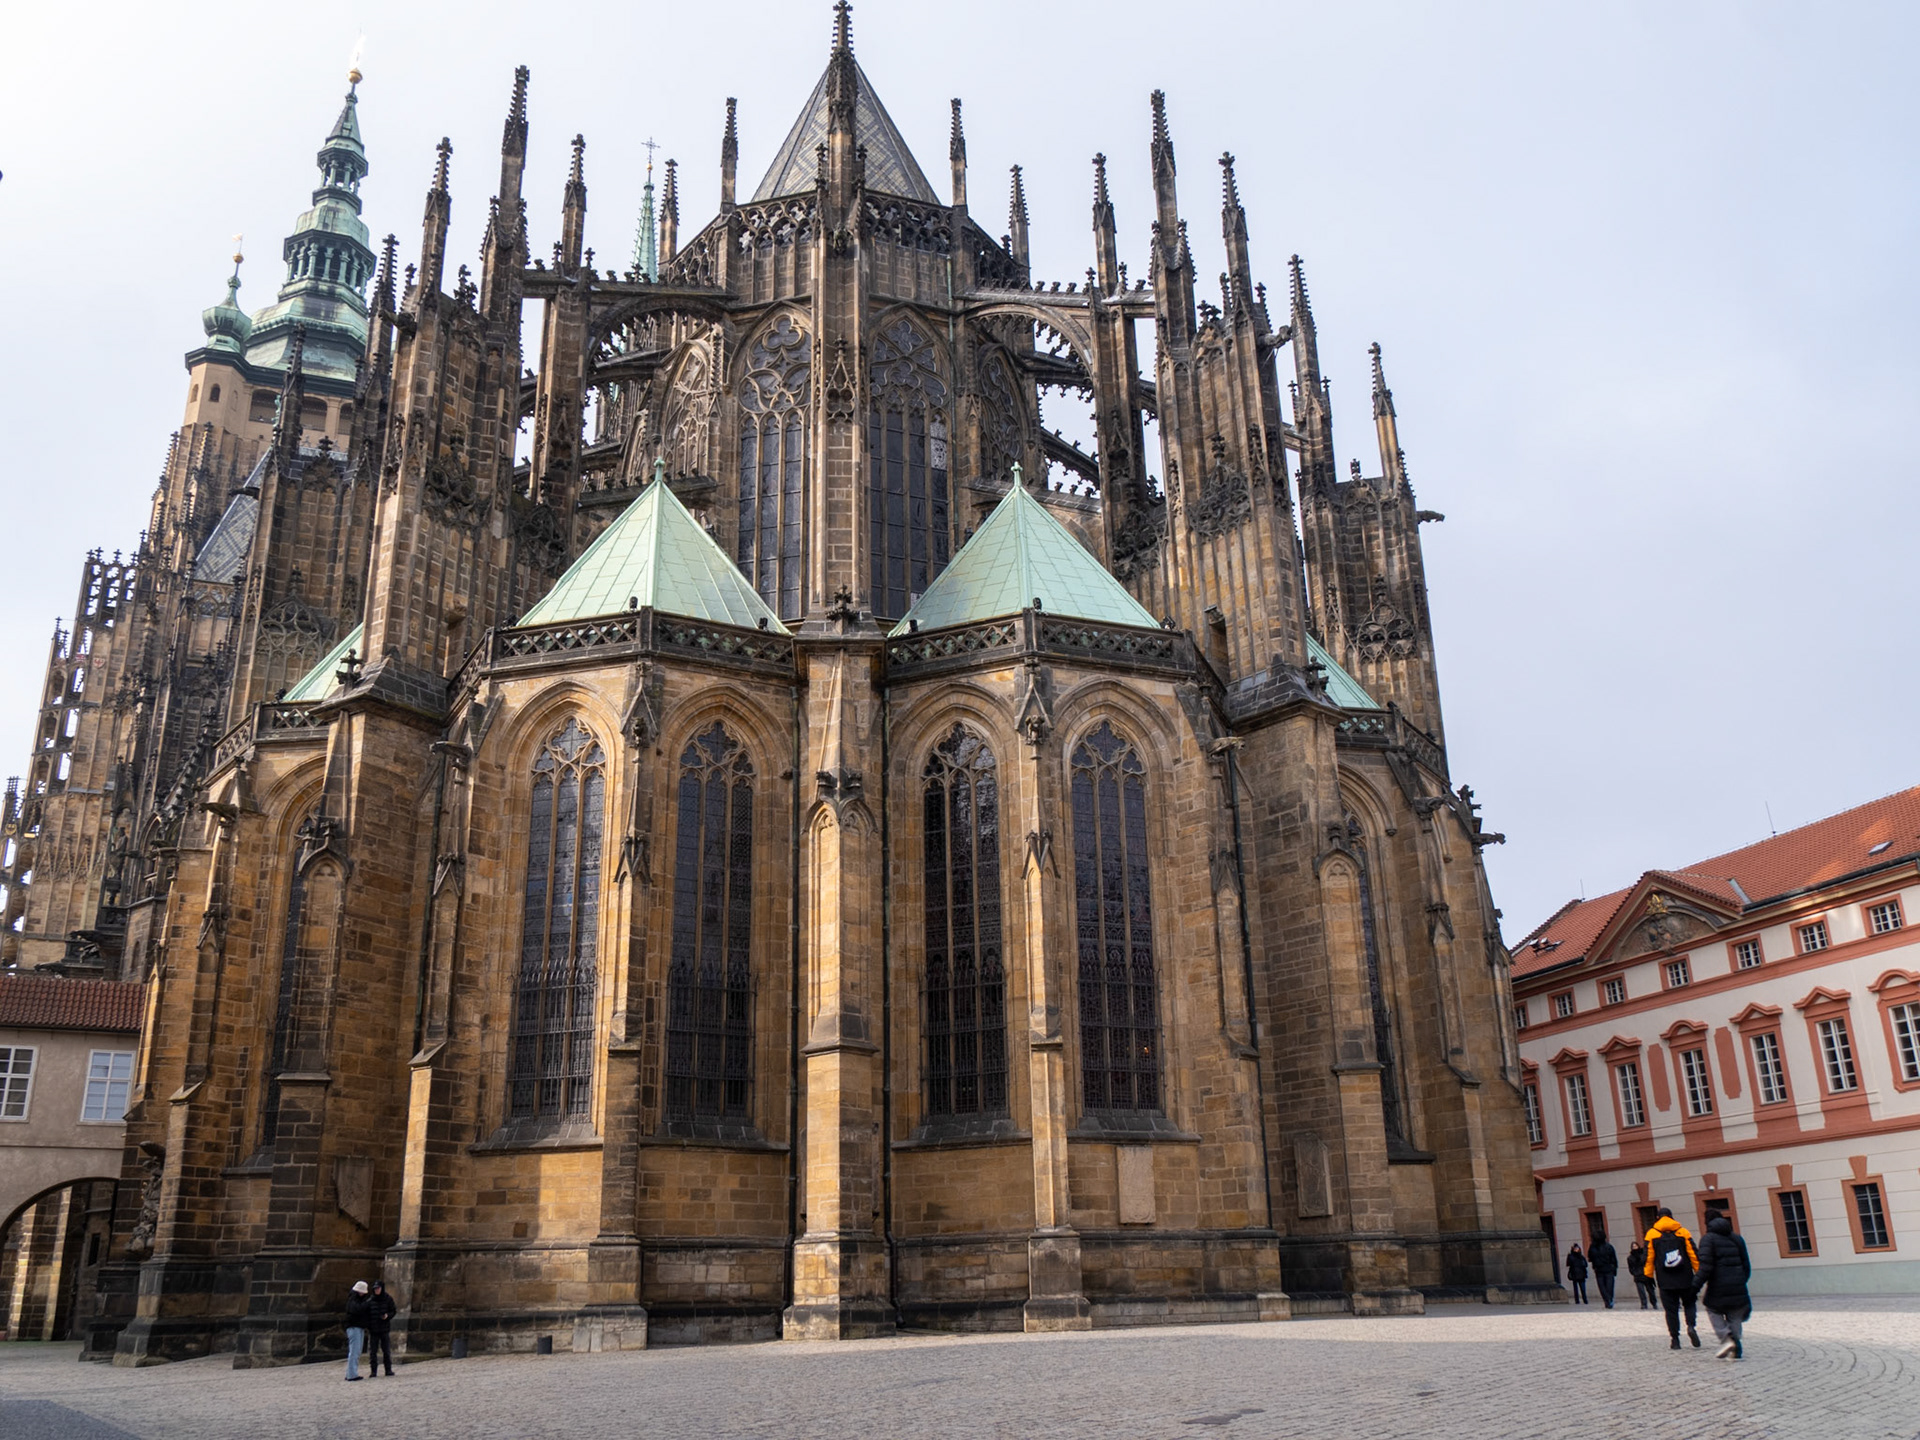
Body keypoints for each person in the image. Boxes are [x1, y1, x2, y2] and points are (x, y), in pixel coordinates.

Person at [1695, 1212, 1752, 1359]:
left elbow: (1705, 1267)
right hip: (1738, 1285)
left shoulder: (1708, 1239)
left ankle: (1726, 1338)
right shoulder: (1737, 1239)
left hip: (1717, 1286)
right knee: (1735, 1313)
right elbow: (1746, 1265)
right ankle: (1736, 1343)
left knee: (1713, 1309)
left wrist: (1694, 1286)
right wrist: (1740, 1280)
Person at [1642, 1207, 1701, 1350]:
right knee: (1689, 1304)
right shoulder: (1682, 1232)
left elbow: (1648, 1258)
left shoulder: (1652, 1234)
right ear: (1671, 1217)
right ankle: (1691, 1326)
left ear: (1658, 1218)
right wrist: (1698, 1271)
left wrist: (1648, 1276)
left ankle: (1675, 1339)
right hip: (1685, 1276)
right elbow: (1693, 1253)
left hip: (1665, 1279)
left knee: (1671, 1310)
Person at [367, 1280, 397, 1377]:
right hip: (374, 1329)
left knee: (386, 1350)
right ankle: (373, 1371)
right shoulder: (370, 1300)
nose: (377, 1290)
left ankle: (388, 1370)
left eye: (378, 1288)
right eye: (375, 1289)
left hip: (384, 1328)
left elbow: (393, 1310)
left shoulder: (388, 1299)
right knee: (373, 1351)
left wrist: (387, 1316)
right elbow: (366, 1314)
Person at [344, 1280, 372, 1381]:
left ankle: (350, 1373)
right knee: (354, 1351)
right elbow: (357, 1310)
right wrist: (367, 1304)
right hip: (354, 1327)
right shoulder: (353, 1301)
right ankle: (352, 1374)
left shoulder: (356, 1300)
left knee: (356, 1351)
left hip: (358, 1327)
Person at [1587, 1232, 1619, 1309]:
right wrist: (1614, 1268)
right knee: (1608, 1286)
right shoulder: (1608, 1246)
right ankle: (1609, 1300)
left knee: (1603, 1287)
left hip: (1600, 1269)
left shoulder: (1593, 1247)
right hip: (1606, 1269)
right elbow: (1613, 1259)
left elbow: (1590, 1257)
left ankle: (1607, 1300)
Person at [1627, 1238, 1655, 1309]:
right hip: (1638, 1276)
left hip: (1646, 1274)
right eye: (1633, 1247)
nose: (1634, 1247)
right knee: (1641, 1291)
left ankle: (1654, 1303)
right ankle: (1644, 1304)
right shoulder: (1630, 1258)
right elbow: (1630, 1267)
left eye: (1635, 1246)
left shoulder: (1643, 1254)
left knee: (1650, 1290)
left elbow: (1648, 1262)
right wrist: (1634, 1272)